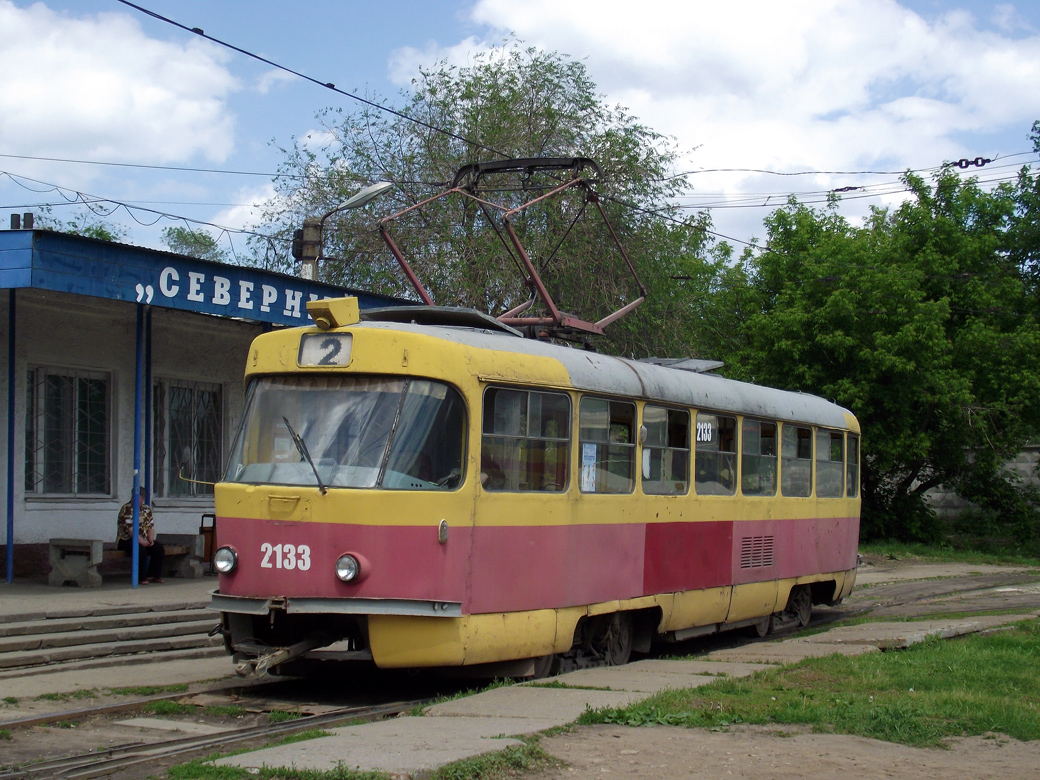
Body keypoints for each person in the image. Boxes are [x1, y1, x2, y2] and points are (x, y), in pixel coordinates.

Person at [117, 495, 166, 583]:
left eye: (139, 498)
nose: (135, 500)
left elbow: (150, 526)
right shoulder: (126, 508)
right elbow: (130, 530)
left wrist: (150, 540)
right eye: (133, 497)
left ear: (143, 499)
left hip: (143, 539)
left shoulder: (146, 509)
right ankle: (141, 578)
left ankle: (153, 575)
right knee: (140, 551)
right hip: (126, 540)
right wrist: (142, 542)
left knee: (158, 549)